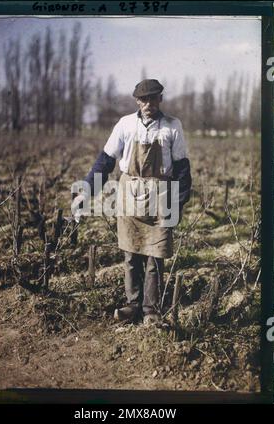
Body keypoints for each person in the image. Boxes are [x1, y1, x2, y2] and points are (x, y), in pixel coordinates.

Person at [71, 79, 192, 325]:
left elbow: (182, 169)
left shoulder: (172, 126)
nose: (149, 103)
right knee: (131, 255)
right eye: (144, 99)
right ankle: (132, 305)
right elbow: (105, 161)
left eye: (153, 98)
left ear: (160, 99)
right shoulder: (125, 125)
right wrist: (85, 192)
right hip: (129, 194)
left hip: (160, 196)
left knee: (154, 256)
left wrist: (177, 205)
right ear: (137, 101)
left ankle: (151, 311)